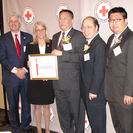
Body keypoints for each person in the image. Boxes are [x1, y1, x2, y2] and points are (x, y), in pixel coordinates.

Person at [51, 9, 86, 133]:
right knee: (63, 116)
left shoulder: (79, 36)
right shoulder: (55, 37)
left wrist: (62, 53)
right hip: (57, 84)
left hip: (73, 85)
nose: (62, 21)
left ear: (72, 20)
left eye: (65, 18)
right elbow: (51, 60)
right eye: (60, 18)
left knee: (77, 115)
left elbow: (81, 57)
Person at [0, 12, 32, 133]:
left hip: (25, 76)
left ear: (20, 22)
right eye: (11, 21)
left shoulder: (28, 37)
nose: (13, 23)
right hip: (10, 78)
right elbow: (2, 58)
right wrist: (15, 71)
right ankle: (15, 128)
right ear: (9, 23)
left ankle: (26, 126)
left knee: (26, 103)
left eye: (15, 21)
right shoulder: (3, 39)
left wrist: (23, 70)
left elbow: (31, 56)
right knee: (12, 105)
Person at [104, 7, 133, 133]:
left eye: (118, 19)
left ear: (125, 21)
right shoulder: (111, 38)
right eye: (111, 20)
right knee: (118, 126)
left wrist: (129, 92)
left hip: (124, 94)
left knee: (127, 127)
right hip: (111, 92)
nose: (114, 23)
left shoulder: (131, 38)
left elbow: (131, 67)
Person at [24, 21, 54, 133]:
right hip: (35, 82)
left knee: (46, 107)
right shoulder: (30, 45)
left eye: (42, 29)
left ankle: (47, 130)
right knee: (36, 107)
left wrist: (50, 74)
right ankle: (39, 130)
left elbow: (55, 61)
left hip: (47, 81)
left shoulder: (51, 43)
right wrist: (27, 64)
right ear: (35, 32)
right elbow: (25, 62)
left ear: (45, 30)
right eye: (38, 29)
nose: (40, 31)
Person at [81, 16, 106, 133]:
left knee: (99, 126)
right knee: (94, 124)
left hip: (95, 93)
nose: (86, 30)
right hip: (88, 90)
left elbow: (99, 70)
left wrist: (94, 91)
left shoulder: (99, 45)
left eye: (89, 27)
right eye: (84, 27)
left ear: (96, 28)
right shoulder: (88, 43)